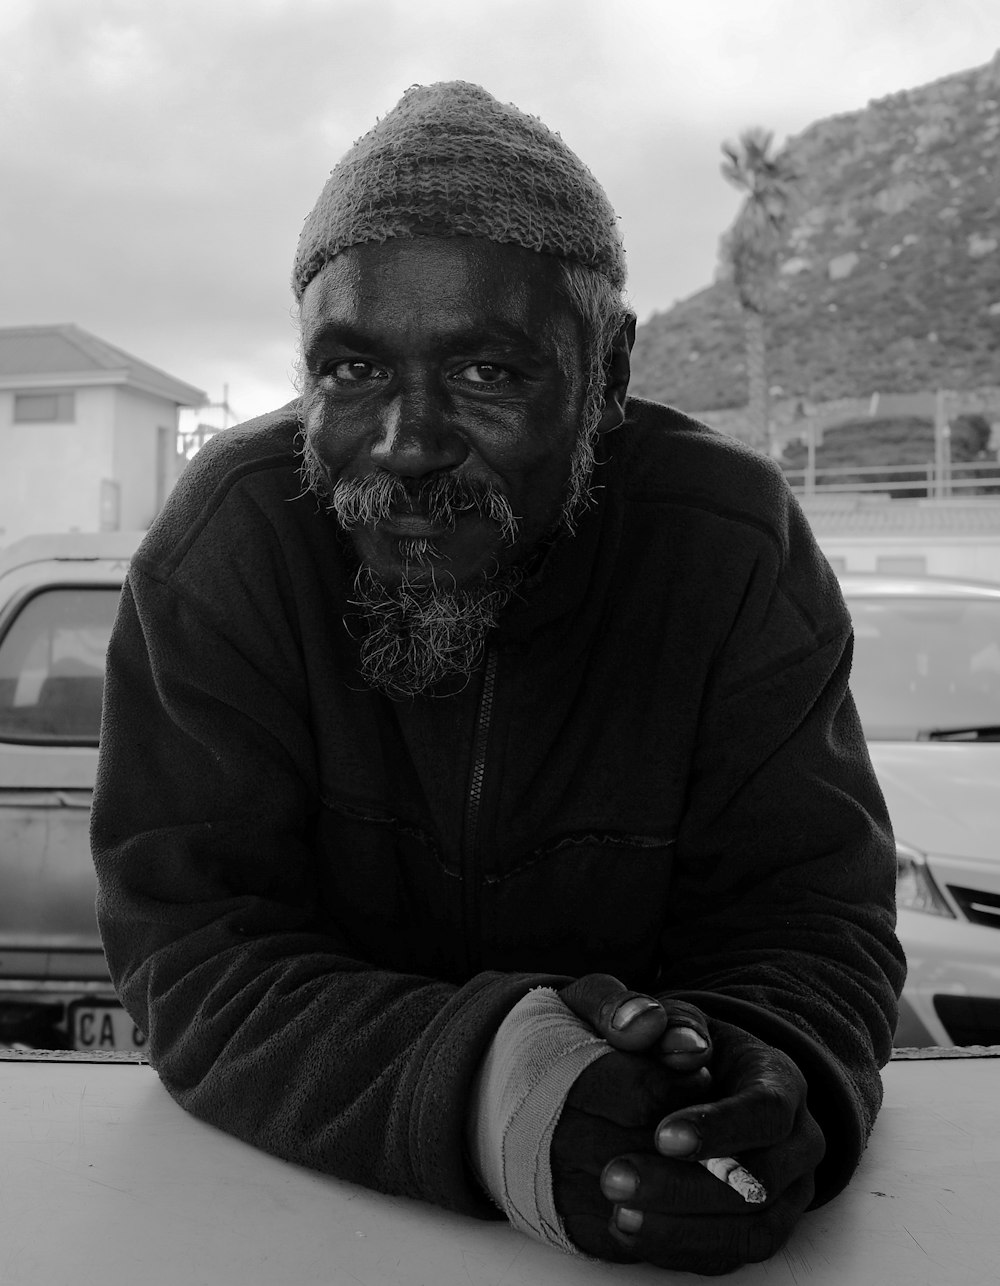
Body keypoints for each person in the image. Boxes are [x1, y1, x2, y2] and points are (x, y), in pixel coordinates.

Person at [91, 81, 905, 1276]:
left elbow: (813, 918)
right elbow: (191, 945)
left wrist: (763, 1077)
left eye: (485, 374)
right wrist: (493, 1093)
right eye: (353, 370)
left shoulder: (724, 545)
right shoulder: (231, 542)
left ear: (608, 371)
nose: (406, 444)